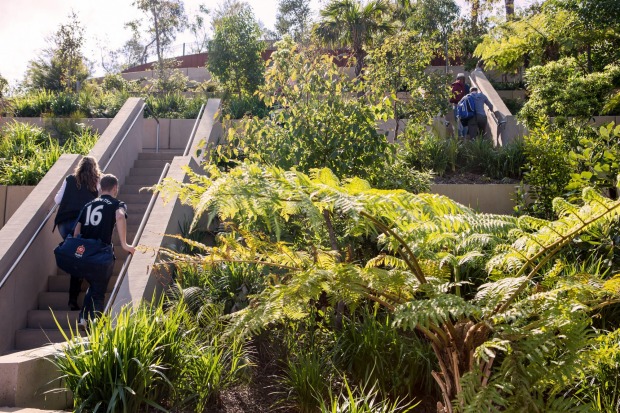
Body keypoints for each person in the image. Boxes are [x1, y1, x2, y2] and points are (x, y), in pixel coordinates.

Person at [73, 174, 135, 325]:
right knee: (99, 290)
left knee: (94, 284)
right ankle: (97, 322)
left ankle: (82, 318)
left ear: (100, 187)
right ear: (115, 188)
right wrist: (125, 244)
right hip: (101, 252)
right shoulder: (117, 203)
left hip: (85, 253)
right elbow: (120, 217)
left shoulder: (88, 205)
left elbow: (76, 231)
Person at [54, 156, 101, 311]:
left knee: (77, 256)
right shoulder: (96, 182)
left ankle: (73, 298)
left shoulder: (70, 179)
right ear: (94, 168)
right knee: (80, 258)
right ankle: (77, 298)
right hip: (81, 225)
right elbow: (100, 202)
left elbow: (57, 199)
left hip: (64, 224)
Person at [450, 73, 470, 137]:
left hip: (455, 105)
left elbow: (451, 96)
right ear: (464, 79)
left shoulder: (454, 85)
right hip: (464, 106)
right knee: (464, 120)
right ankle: (464, 136)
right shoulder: (466, 86)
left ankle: (459, 135)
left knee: (457, 120)